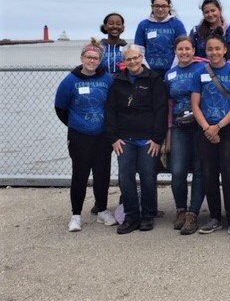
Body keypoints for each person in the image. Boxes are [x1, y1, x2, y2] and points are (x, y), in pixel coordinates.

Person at [190, 33, 230, 239]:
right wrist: (208, 128)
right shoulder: (199, 73)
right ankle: (215, 217)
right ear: (205, 52)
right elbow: (195, 105)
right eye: (210, 49)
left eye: (217, 48)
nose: (214, 52)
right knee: (209, 175)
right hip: (205, 130)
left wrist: (219, 127)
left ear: (225, 50)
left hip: (228, 130)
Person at [55, 38, 116, 232]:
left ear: (100, 60)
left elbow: (113, 105)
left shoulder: (107, 79)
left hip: (102, 136)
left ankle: (102, 210)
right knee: (80, 174)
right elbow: (60, 108)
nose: (91, 61)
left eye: (95, 58)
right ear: (82, 58)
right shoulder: (70, 81)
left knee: (102, 174)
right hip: (79, 135)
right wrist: (76, 124)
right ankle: (76, 215)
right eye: (88, 57)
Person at [106, 44, 168, 234]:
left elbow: (161, 111)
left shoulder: (154, 80)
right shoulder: (118, 81)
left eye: (135, 58)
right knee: (125, 177)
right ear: (124, 62)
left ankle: (148, 215)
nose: (132, 62)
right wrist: (113, 137)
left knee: (148, 176)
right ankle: (131, 216)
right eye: (128, 59)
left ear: (142, 58)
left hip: (148, 140)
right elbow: (110, 111)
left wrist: (157, 139)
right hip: (124, 139)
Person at [164, 36, 205, 235]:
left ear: (194, 50)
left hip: (200, 125)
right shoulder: (170, 74)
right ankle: (181, 208)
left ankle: (193, 213)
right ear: (175, 51)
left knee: (199, 170)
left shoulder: (203, 69)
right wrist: (168, 132)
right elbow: (168, 105)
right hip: (180, 126)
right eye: (180, 49)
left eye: (188, 49)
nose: (184, 52)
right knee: (177, 170)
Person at [134, 0, 187, 76]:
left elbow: (182, 50)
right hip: (148, 73)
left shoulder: (177, 24)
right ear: (152, 7)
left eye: (164, 6)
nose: (160, 9)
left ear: (169, 7)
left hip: (173, 71)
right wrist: (147, 71)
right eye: (157, 6)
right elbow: (139, 51)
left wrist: (172, 70)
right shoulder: (143, 25)